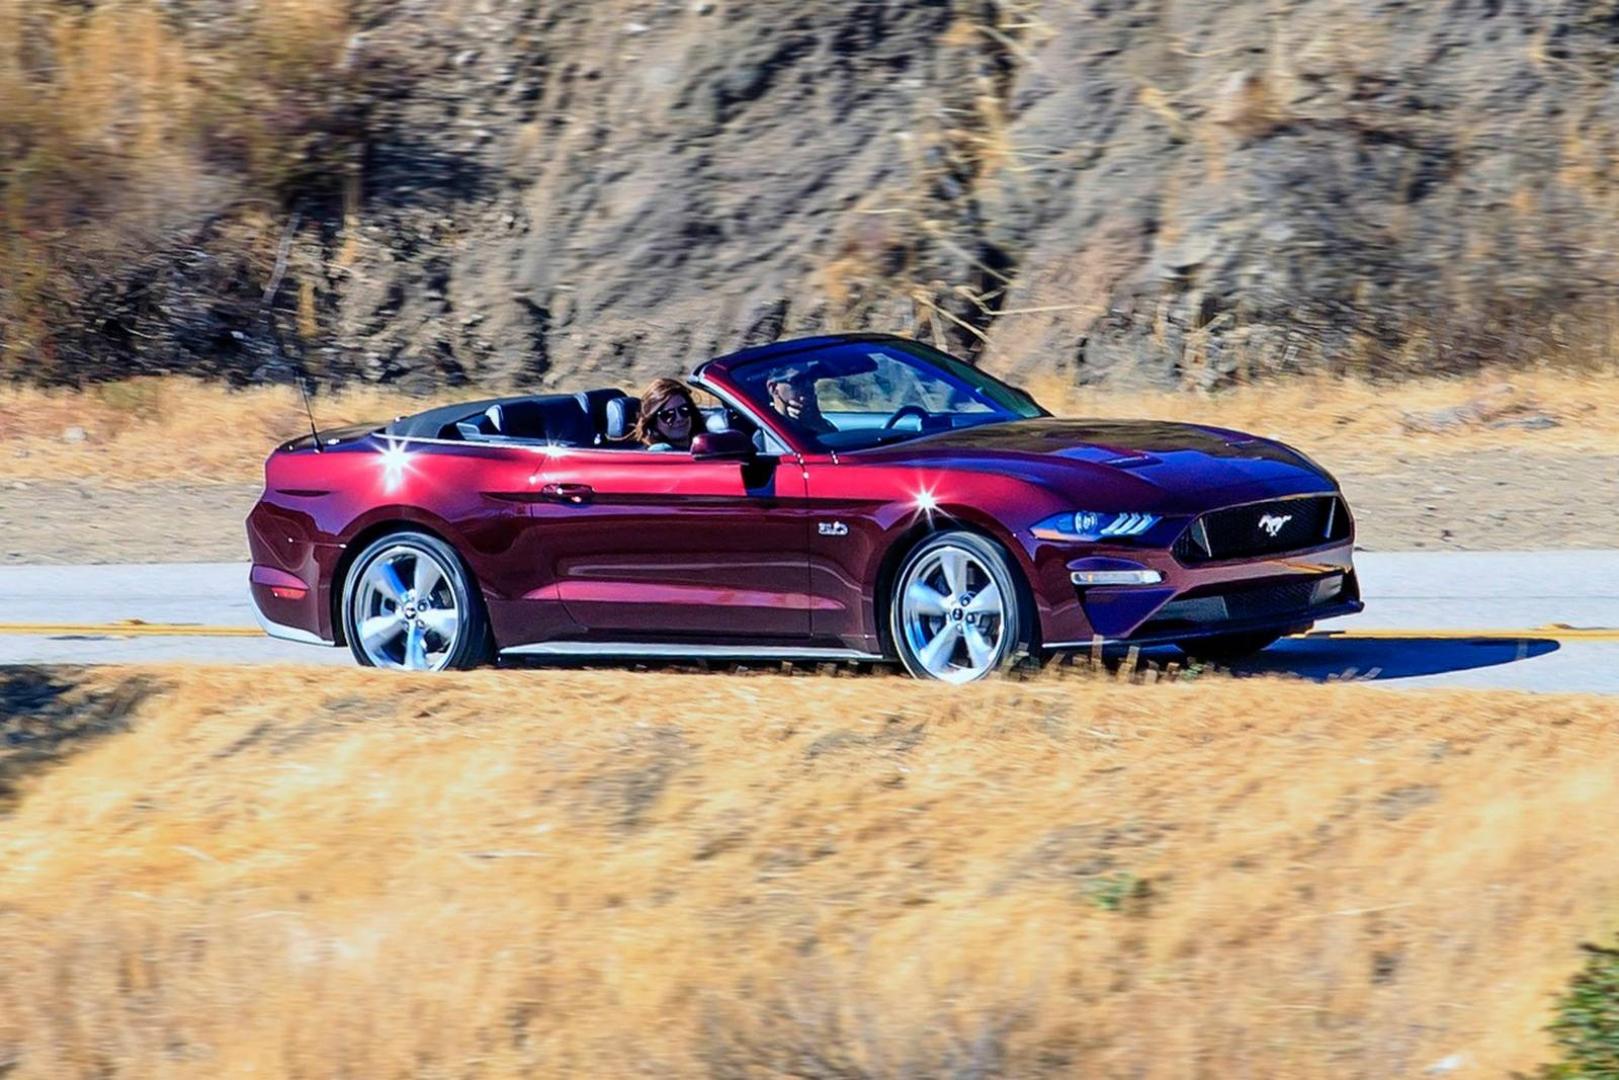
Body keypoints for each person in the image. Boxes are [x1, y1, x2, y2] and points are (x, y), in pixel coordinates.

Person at [765, 366, 836, 436]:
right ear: (774, 388)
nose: (809, 385)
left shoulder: (816, 420)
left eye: (811, 379)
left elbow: (836, 441)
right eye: (798, 380)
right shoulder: (767, 430)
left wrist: (818, 423)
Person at [634, 377, 699, 451]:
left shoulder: (699, 446)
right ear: (653, 422)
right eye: (668, 415)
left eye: (684, 409)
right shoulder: (661, 453)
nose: (679, 418)